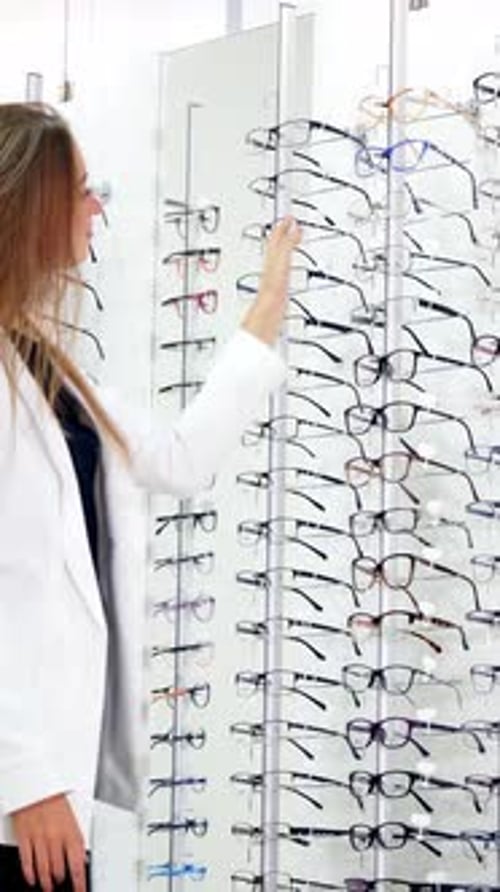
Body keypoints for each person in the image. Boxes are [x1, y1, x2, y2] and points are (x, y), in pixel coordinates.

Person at [0, 102, 300, 892]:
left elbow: (178, 458)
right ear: (32, 204)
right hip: (22, 793)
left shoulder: (44, 363)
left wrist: (268, 305)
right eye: (85, 189)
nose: (98, 208)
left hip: (60, 785)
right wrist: (23, 776)